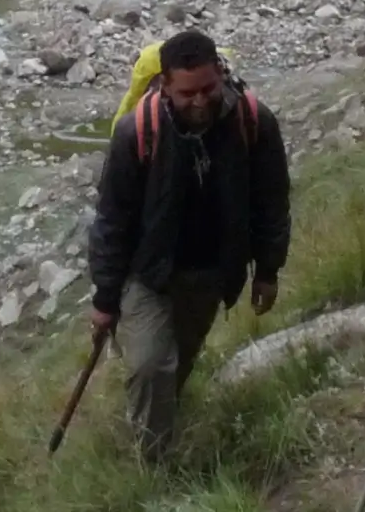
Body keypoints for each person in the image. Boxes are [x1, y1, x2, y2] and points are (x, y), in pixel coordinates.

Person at [87, 29, 292, 462]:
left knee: (178, 362)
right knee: (149, 364)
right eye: (186, 93)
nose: (199, 101)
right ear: (164, 84)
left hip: (211, 271)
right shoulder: (135, 134)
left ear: (220, 72)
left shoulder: (254, 122)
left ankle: (159, 424)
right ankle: (152, 465)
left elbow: (271, 201)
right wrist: (106, 298)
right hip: (147, 272)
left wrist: (268, 270)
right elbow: (112, 221)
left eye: (207, 89)